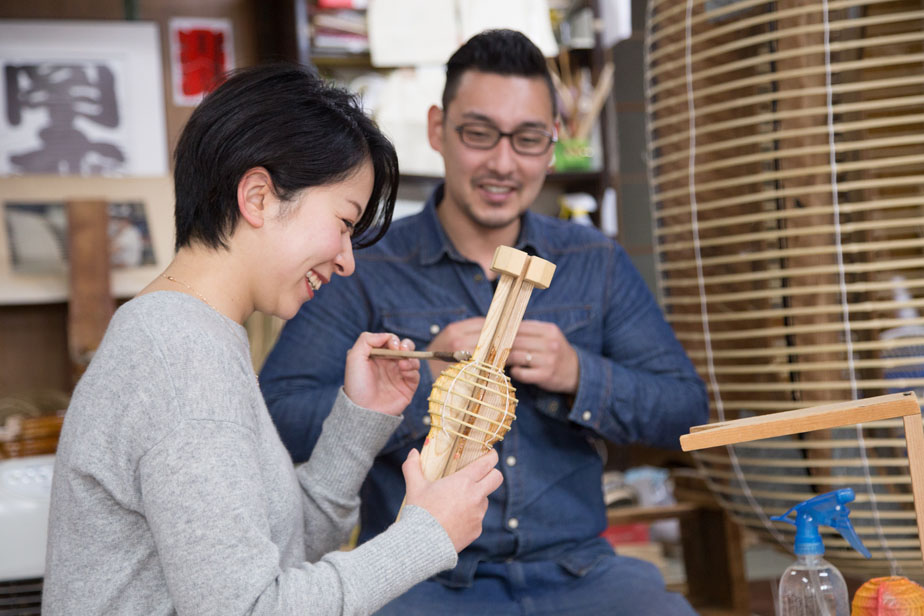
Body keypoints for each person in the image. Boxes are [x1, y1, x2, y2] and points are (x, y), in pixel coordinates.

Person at [260, 30, 709, 615]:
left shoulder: (593, 262)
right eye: (478, 133)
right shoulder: (364, 267)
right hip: (418, 575)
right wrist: (423, 390)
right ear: (437, 130)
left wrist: (579, 374)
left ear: (553, 147)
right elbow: (277, 417)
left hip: (579, 573)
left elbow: (685, 411)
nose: (502, 163)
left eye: (527, 140)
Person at [42, 64, 503, 616]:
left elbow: (273, 553)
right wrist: (428, 536)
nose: (347, 261)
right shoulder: (181, 359)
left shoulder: (192, 335)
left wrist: (358, 419)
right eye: (343, 222)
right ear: (258, 197)